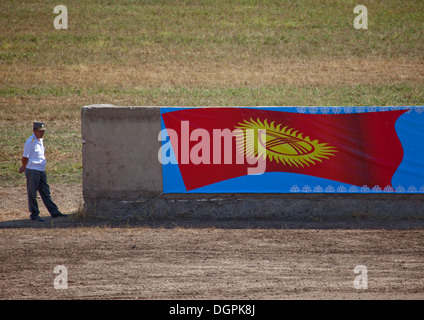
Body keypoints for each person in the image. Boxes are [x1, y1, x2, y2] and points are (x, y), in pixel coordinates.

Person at [19, 122, 67, 221]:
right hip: (33, 170)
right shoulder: (30, 142)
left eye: (43, 131)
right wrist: (24, 167)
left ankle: (54, 212)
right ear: (34, 131)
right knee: (32, 192)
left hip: (41, 170)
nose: (42, 133)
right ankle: (34, 214)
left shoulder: (40, 140)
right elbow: (25, 157)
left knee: (45, 192)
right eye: (40, 131)